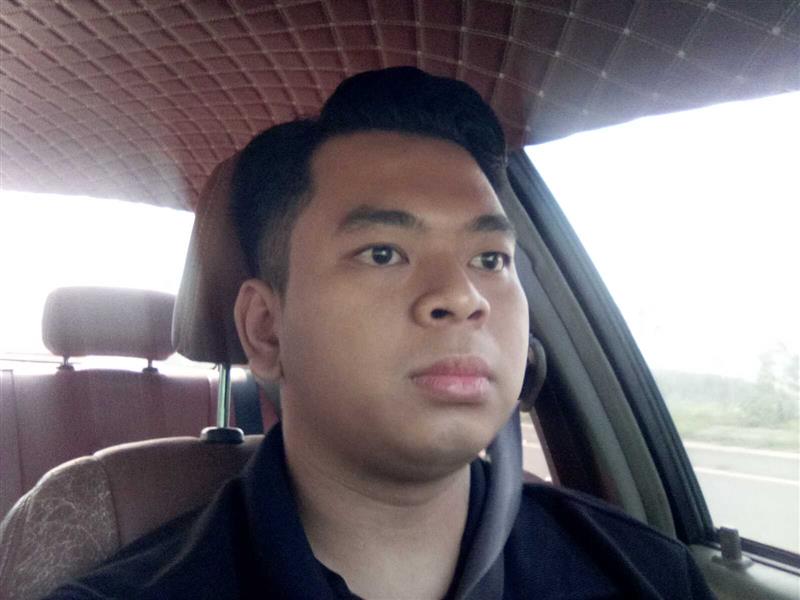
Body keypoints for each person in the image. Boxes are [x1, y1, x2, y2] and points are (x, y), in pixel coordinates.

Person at [47, 67, 715, 599]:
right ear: (266, 329)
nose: (462, 296)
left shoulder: (649, 575)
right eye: (384, 253)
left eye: (490, 259)